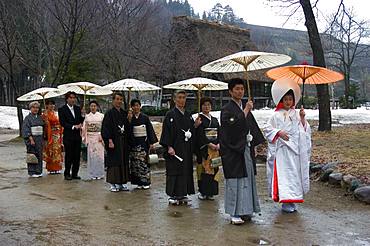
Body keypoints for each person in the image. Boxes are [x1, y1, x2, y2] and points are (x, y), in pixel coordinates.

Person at [219, 78, 265, 225]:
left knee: (247, 179)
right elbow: (230, 128)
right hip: (233, 151)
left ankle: (246, 210)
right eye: (237, 89)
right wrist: (245, 111)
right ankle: (234, 213)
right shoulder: (226, 109)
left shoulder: (244, 109)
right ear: (230, 91)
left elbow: (251, 126)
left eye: (242, 89)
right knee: (235, 181)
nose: (240, 91)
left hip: (246, 148)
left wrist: (255, 145)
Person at [264, 78, 312, 213]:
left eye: (290, 99)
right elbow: (267, 129)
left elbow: (304, 130)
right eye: (285, 99)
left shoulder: (296, 114)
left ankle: (293, 199)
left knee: (294, 175)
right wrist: (279, 132)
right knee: (284, 176)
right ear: (281, 100)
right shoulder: (275, 115)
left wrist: (302, 118)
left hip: (294, 151)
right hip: (282, 151)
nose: (288, 102)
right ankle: (285, 200)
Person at [160, 90, 200, 205]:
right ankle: (172, 195)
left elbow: (191, 132)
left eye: (184, 97)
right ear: (174, 99)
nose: (182, 100)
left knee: (185, 170)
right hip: (175, 149)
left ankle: (182, 194)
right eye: (179, 97)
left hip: (186, 148)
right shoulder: (170, 115)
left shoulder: (188, 115)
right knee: (174, 171)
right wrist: (168, 146)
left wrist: (195, 126)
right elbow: (166, 132)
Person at [101, 93, 132, 192]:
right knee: (114, 161)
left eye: (121, 99)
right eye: (117, 99)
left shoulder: (124, 113)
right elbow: (106, 128)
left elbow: (127, 127)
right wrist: (109, 140)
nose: (119, 101)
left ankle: (122, 183)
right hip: (114, 141)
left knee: (123, 161)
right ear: (113, 100)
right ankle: (113, 183)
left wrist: (129, 119)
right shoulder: (109, 113)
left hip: (123, 141)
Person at [194, 97, 220, 200]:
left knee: (215, 168)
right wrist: (209, 144)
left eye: (209, 105)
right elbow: (199, 135)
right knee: (204, 169)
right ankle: (203, 191)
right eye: (204, 105)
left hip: (215, 149)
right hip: (204, 149)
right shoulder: (199, 119)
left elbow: (220, 132)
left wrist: (218, 143)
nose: (207, 107)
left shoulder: (214, 120)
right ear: (201, 106)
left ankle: (211, 192)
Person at [129, 99, 158, 189]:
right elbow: (128, 131)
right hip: (134, 142)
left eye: (137, 105)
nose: (136, 107)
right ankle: (138, 182)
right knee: (135, 163)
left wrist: (151, 142)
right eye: (134, 105)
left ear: (140, 106)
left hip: (143, 142)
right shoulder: (130, 117)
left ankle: (146, 182)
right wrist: (129, 121)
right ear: (131, 107)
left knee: (144, 163)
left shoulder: (145, 117)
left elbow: (149, 130)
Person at [58, 91, 84, 180]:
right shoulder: (62, 109)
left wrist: (83, 116)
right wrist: (73, 126)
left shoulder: (77, 109)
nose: (73, 99)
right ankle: (67, 173)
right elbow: (63, 123)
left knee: (77, 156)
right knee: (69, 155)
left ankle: (75, 173)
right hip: (68, 136)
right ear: (67, 99)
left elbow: (81, 120)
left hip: (77, 136)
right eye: (71, 98)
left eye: (74, 98)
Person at [81, 100, 105, 180]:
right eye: (91, 106)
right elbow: (84, 128)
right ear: (89, 107)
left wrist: (102, 136)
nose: (93, 107)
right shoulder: (87, 116)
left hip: (99, 138)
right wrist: (85, 138)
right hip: (90, 137)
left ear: (97, 107)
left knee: (99, 156)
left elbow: (104, 127)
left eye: (94, 106)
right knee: (92, 156)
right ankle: (92, 174)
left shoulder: (101, 116)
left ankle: (100, 173)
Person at [22, 101, 45, 178]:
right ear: (30, 108)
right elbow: (26, 129)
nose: (35, 109)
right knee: (33, 154)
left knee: (39, 154)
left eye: (37, 108)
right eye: (34, 107)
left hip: (40, 138)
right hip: (32, 138)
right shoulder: (27, 118)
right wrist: (30, 139)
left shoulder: (39, 117)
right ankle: (32, 171)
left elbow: (43, 127)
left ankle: (39, 171)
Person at [42, 99, 63, 174]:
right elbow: (45, 125)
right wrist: (46, 122)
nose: (51, 106)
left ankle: (57, 168)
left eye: (53, 104)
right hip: (50, 134)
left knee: (57, 151)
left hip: (57, 134)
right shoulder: (45, 114)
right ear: (47, 105)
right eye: (50, 104)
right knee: (51, 151)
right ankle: (51, 168)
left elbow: (60, 123)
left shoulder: (55, 113)